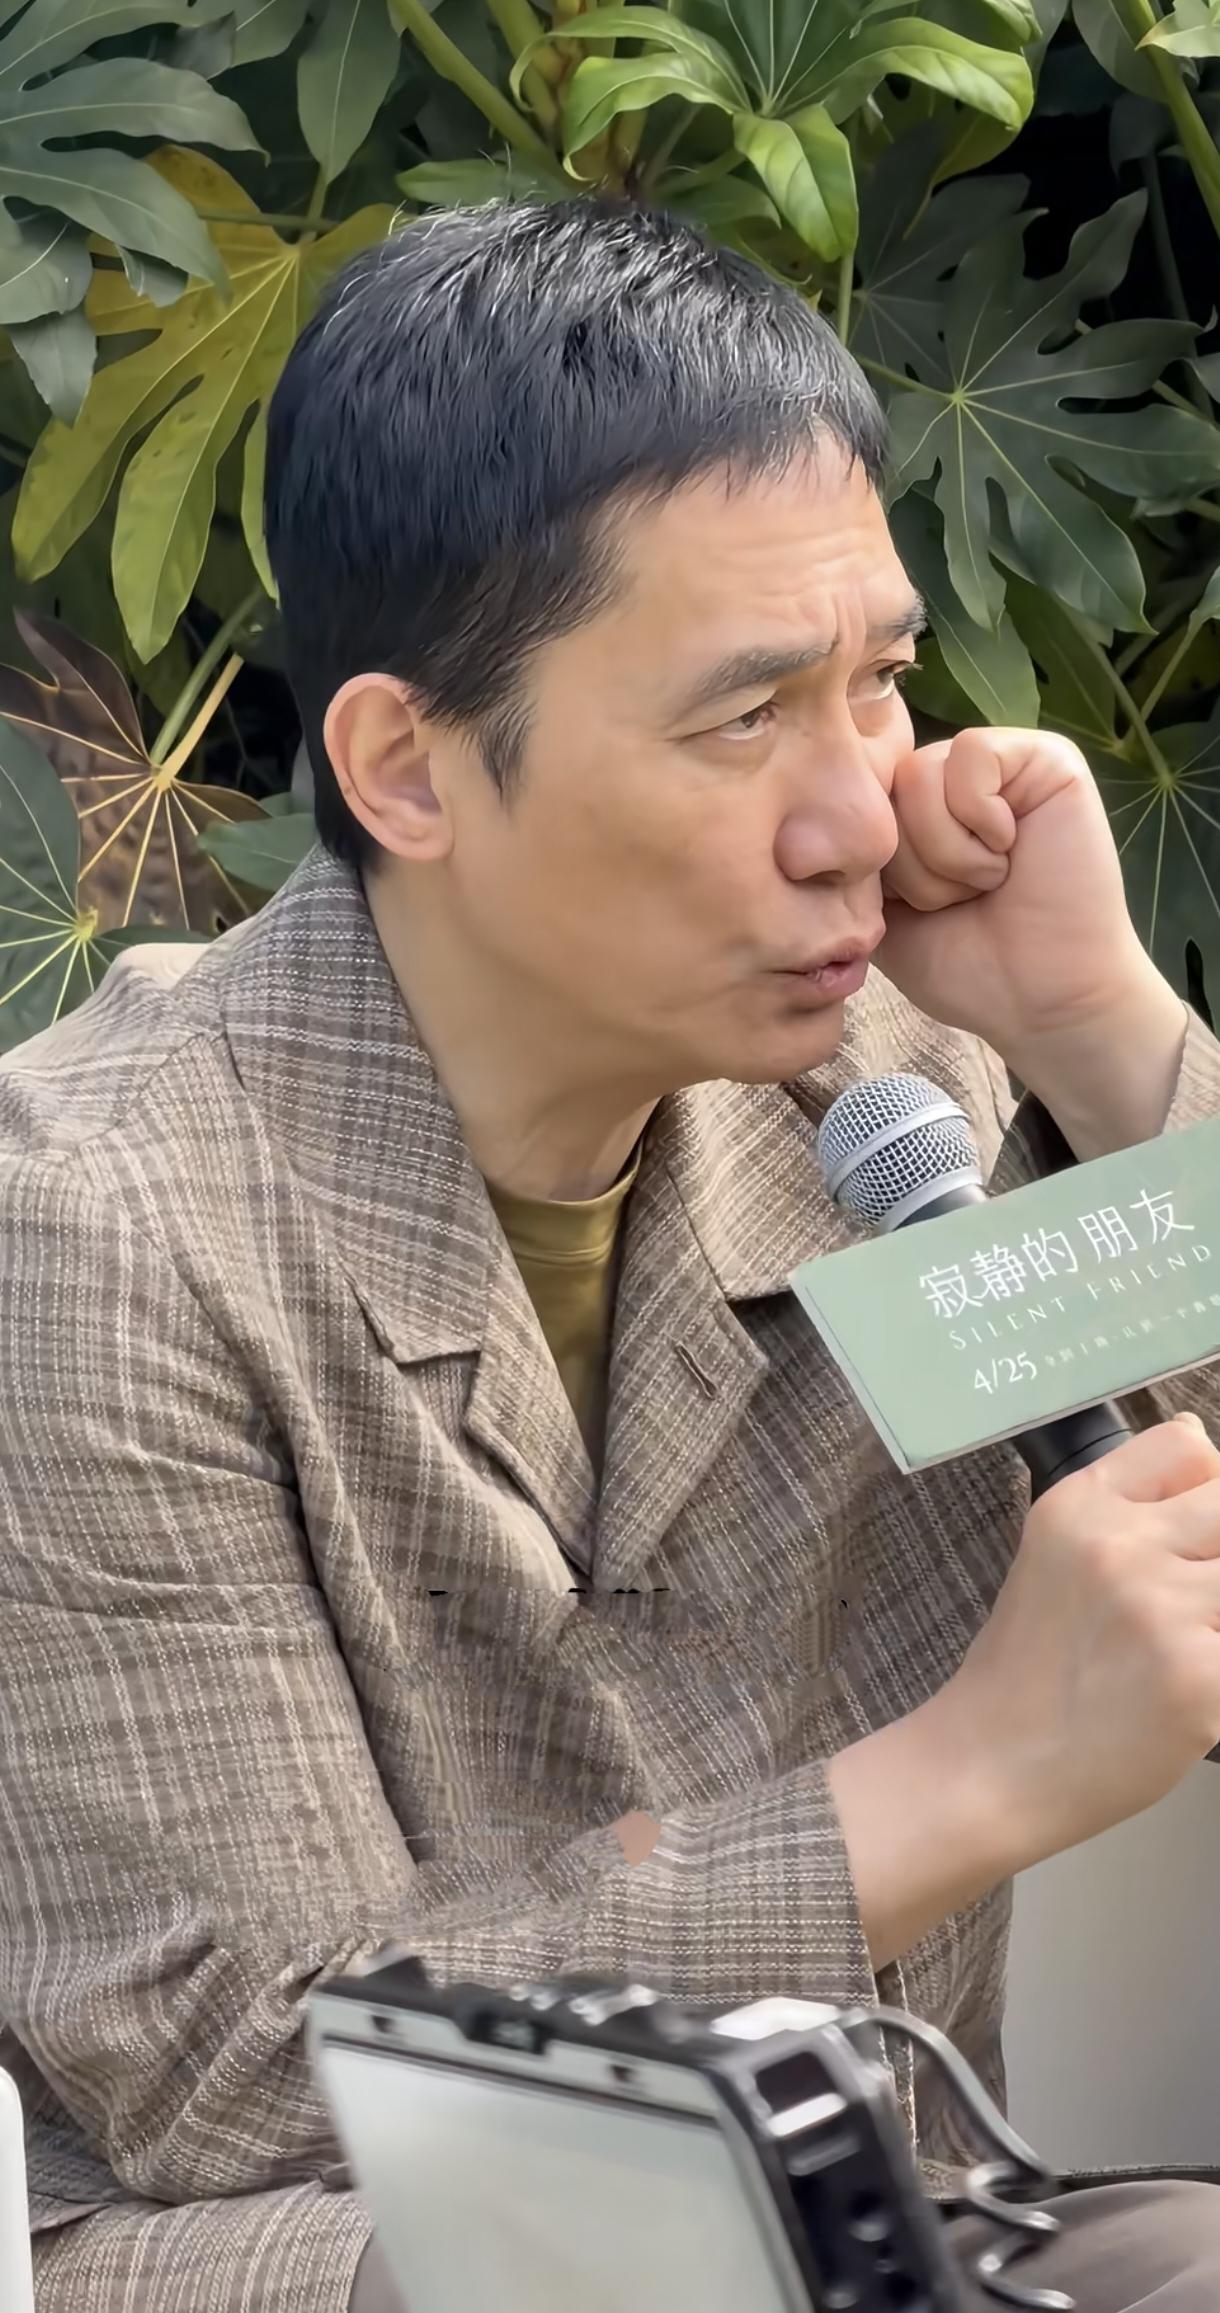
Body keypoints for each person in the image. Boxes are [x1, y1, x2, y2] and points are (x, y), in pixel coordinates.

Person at [1, 197, 1219, 2313]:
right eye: (744, 719)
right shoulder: (96, 1230)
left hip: (884, 2228)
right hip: (387, 2258)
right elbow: (242, 2070)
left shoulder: (903, 1092)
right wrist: (964, 1775)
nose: (860, 814)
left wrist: (1106, 1037)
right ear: (405, 768)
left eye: (878, 684)